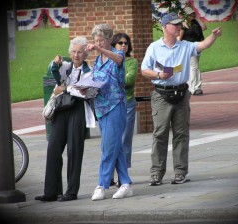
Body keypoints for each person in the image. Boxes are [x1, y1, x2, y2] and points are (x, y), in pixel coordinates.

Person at [141, 12, 222, 186]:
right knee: (160, 134)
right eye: (175, 24)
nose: (179, 27)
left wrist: (213, 36)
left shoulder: (185, 46)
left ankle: (180, 172)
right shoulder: (154, 47)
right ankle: (156, 173)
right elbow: (144, 70)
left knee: (181, 134)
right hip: (161, 93)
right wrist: (158, 74)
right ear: (165, 27)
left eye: (179, 24)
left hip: (181, 93)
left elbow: (203, 45)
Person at [35, 36, 97, 202]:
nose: (76, 55)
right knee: (53, 148)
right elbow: (53, 71)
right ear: (70, 53)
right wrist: (55, 63)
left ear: (85, 54)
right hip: (62, 109)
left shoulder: (89, 71)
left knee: (74, 151)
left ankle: (71, 192)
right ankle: (51, 192)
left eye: (80, 52)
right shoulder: (66, 67)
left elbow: (87, 92)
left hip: (78, 108)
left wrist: (66, 89)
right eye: (74, 52)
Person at [86, 24, 133, 200]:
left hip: (116, 106)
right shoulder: (97, 61)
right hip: (101, 108)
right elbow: (96, 82)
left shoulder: (117, 53)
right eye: (95, 41)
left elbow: (119, 60)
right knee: (115, 146)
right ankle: (126, 183)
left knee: (107, 147)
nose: (97, 43)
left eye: (100, 41)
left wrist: (99, 49)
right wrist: (86, 89)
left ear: (108, 40)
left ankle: (102, 184)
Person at [110, 33, 138, 188]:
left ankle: (123, 175)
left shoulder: (132, 61)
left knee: (125, 140)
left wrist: (112, 78)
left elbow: (129, 80)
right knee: (111, 141)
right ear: (113, 45)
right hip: (111, 105)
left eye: (126, 43)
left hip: (127, 104)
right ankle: (109, 175)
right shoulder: (108, 60)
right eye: (120, 43)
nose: (123, 45)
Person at [177, 6, 207, 95]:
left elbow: (204, 27)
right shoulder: (183, 25)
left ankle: (190, 87)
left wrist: (197, 18)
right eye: (190, 14)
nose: (192, 15)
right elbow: (179, 39)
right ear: (186, 15)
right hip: (188, 48)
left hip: (197, 47)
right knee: (194, 67)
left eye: (192, 14)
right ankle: (195, 88)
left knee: (192, 67)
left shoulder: (195, 23)